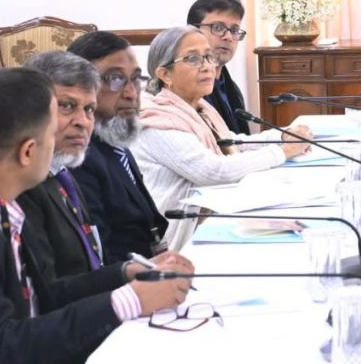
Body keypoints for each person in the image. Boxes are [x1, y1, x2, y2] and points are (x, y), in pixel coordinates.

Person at [0, 68, 192, 363]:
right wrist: (128, 301)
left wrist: (124, 273)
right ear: (28, 152)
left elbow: (42, 295)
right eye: (52, 134)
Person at [132, 26, 312, 251]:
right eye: (193, 59)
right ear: (165, 74)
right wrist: (283, 151)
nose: (207, 66)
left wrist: (282, 135)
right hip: (181, 239)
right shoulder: (157, 120)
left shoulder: (198, 107)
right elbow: (215, 171)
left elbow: (230, 143)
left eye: (208, 56)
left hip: (210, 218)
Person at [67, 31, 169, 262]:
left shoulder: (115, 142)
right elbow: (99, 256)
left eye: (136, 79)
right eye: (115, 79)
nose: (131, 93)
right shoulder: (79, 157)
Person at [17, 52, 109, 280]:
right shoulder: (21, 185)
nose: (83, 122)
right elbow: (48, 291)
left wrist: (129, 275)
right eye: (67, 106)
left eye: (89, 109)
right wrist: (126, 286)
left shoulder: (62, 173)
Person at [187, 0, 250, 133]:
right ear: (193, 31)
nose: (228, 37)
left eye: (234, 30)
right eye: (217, 27)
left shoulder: (232, 89)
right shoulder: (185, 89)